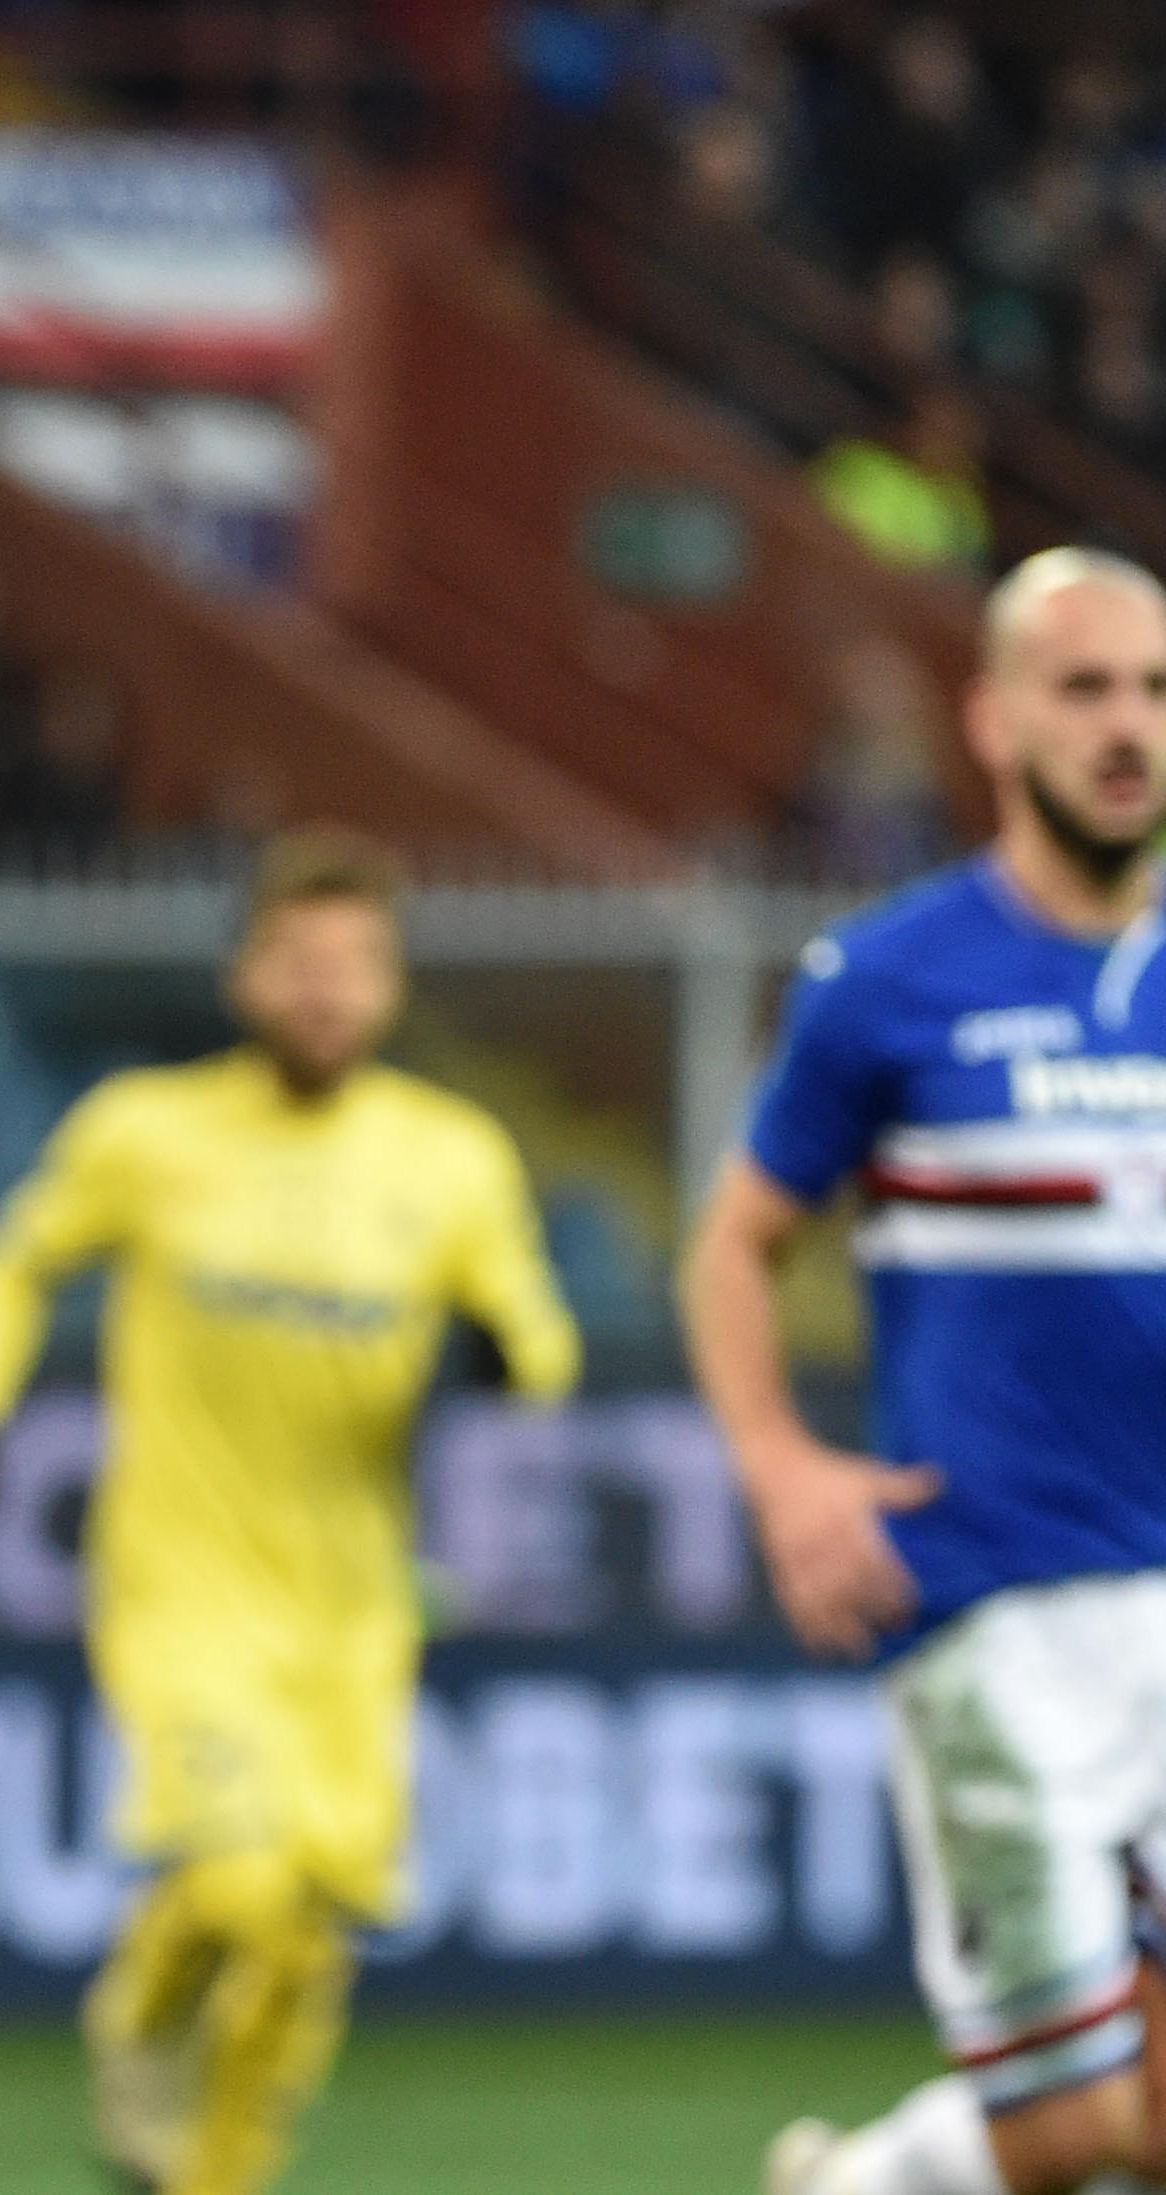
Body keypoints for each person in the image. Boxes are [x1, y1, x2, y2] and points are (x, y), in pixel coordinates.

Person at [0, 826, 579, 2195]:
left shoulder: (449, 1158)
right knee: (240, 1886)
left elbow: (534, 1327)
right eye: (298, 959)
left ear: (393, 989)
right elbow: (14, 1265)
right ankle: (139, 2020)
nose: (326, 990)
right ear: (243, 976)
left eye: (356, 964)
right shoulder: (147, 1134)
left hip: (353, 1606)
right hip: (184, 1582)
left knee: (311, 1937)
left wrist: (508, 1359)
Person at [683, 548, 1166, 2195]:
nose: (1128, 728)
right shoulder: (889, 982)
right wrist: (780, 1465)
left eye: (1156, 691)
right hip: (1002, 1607)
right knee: (1072, 2128)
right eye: (1085, 687)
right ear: (995, 719)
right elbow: (736, 1243)